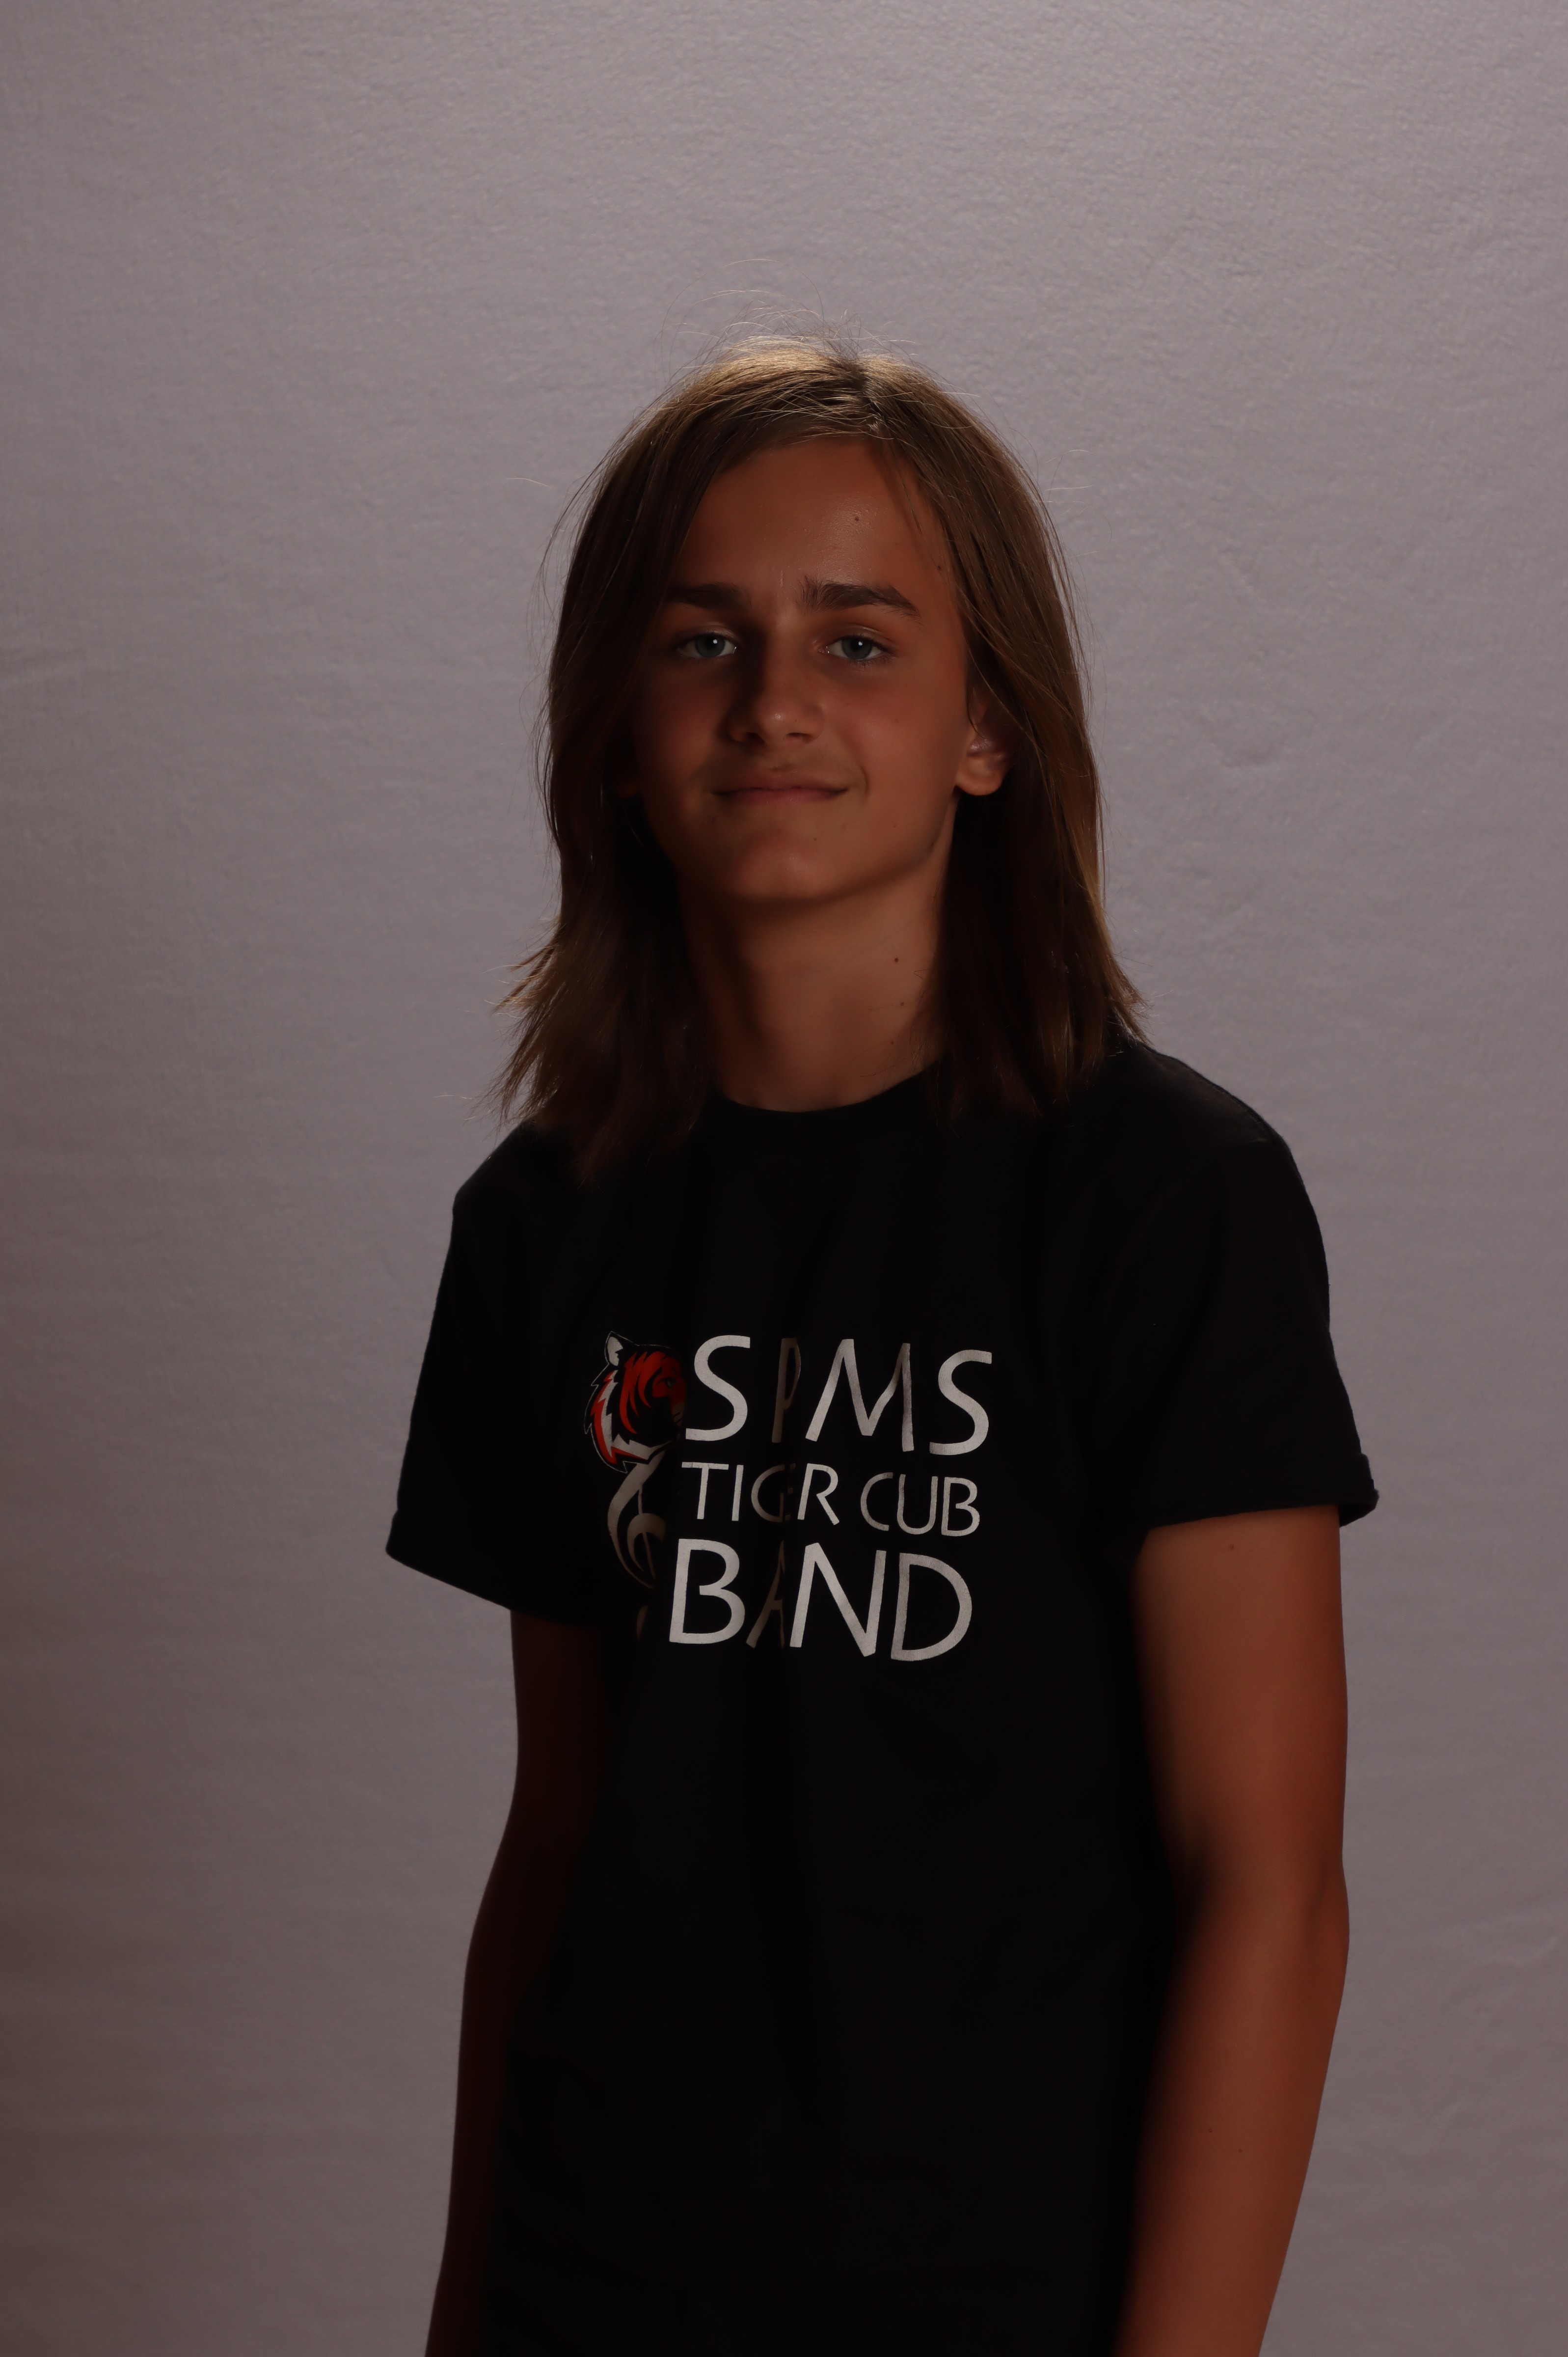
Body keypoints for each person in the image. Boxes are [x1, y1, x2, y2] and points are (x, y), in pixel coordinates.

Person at [388, 334, 1376, 2357]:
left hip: (1001, 2293)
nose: (773, 702)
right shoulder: (542, 1226)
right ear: (615, 733)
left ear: (986, 728)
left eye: (856, 643)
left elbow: (1265, 1881)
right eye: (702, 641)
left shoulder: (1164, 1202)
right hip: (602, 2281)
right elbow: (562, 1834)